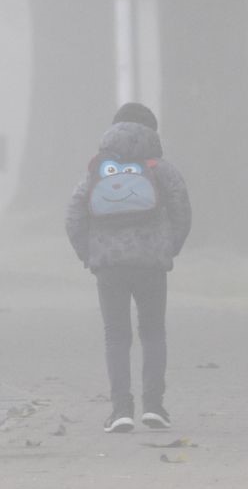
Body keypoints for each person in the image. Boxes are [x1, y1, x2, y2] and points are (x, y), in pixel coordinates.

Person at [66, 103, 191, 433]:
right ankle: (154, 407)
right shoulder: (160, 168)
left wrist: (88, 254)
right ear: (152, 131)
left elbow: (75, 214)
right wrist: (168, 248)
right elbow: (182, 210)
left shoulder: (97, 168)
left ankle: (121, 409)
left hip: (109, 267)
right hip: (151, 264)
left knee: (116, 336)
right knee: (153, 332)